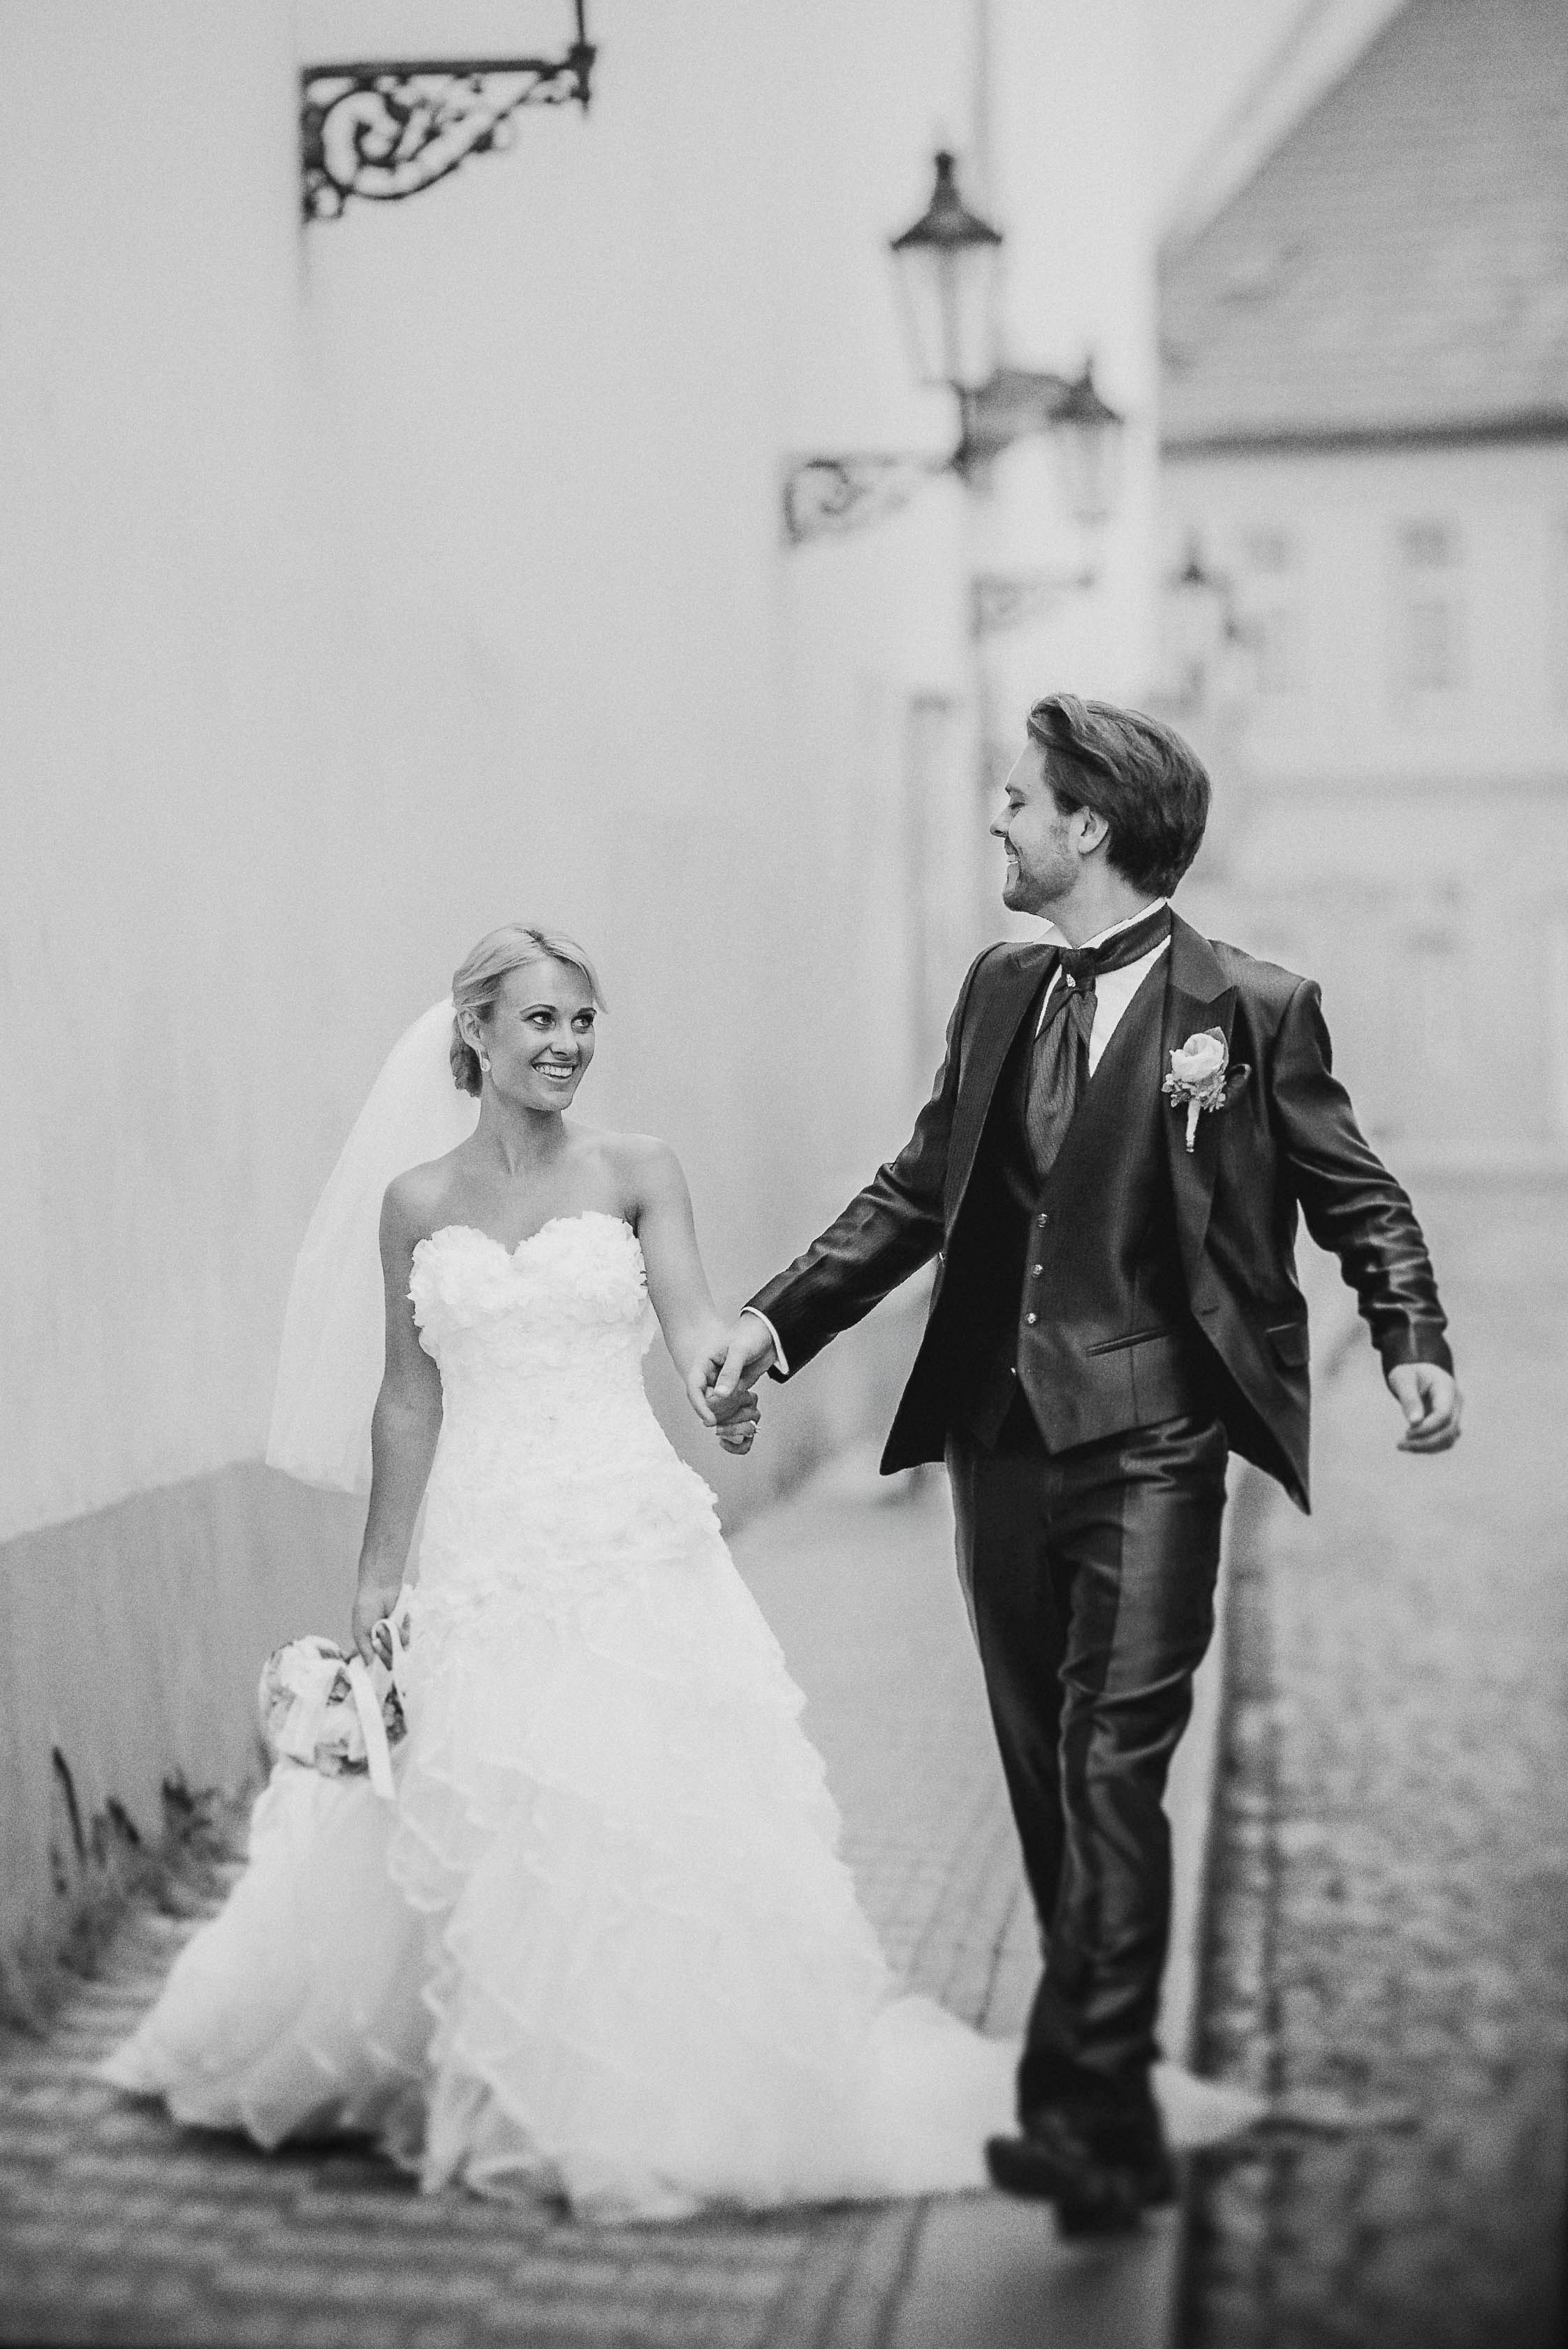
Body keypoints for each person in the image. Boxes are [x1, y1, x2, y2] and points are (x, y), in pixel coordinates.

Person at [104, 922, 1048, 2219]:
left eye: (584, 1022)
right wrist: (380, 1576)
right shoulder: (417, 1205)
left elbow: (695, 1325)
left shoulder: (636, 1170)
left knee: (642, 1807)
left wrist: (735, 1384)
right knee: (494, 1806)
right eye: (540, 1021)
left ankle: (648, 2086)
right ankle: (497, 2067)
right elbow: (405, 1400)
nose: (566, 1045)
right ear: (475, 1034)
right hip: (483, 1542)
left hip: (624, 1536)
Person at [701, 694, 1460, 2230]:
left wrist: (1408, 1331)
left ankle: (1096, 2116)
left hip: (1158, 1442)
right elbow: (917, 1187)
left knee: (1115, 1765)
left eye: (1016, 799)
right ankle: (1091, 2093)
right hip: (999, 1443)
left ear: (1089, 826)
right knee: (1049, 1782)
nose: (995, 819)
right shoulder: (995, 990)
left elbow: (1353, 1190)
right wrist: (776, 1325)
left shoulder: (1251, 1007)